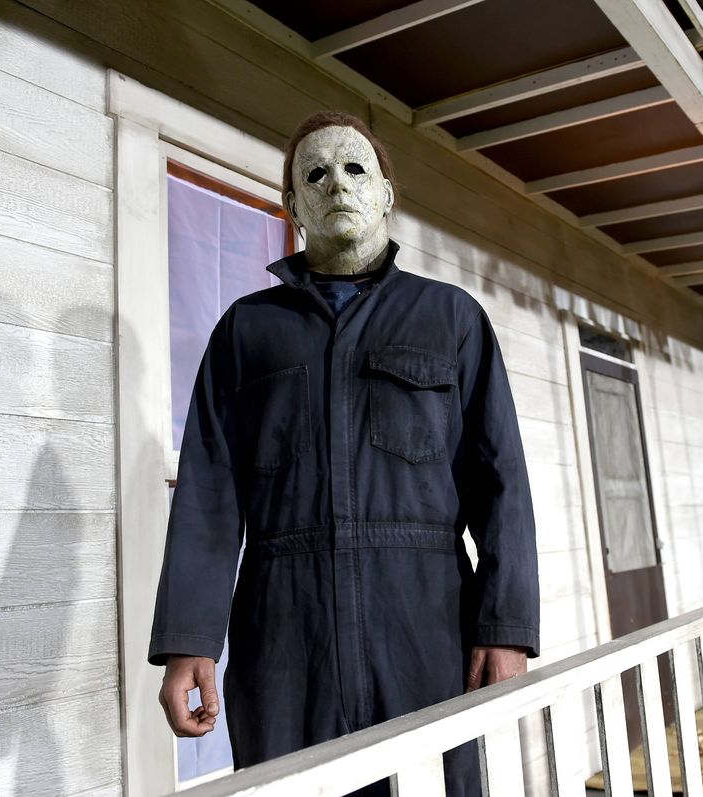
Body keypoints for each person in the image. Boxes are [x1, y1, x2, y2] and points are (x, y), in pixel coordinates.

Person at [148, 110, 539, 795]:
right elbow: (209, 490)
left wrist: (503, 626)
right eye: (316, 173)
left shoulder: (450, 320)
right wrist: (190, 639)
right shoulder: (248, 331)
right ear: (292, 204)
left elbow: (499, 477)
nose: (337, 184)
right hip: (284, 636)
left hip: (424, 628)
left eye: (356, 169)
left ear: (388, 193)